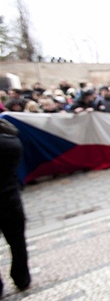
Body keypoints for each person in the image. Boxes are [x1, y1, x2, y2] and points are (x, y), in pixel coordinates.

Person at [0, 119, 31, 297]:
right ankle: (22, 278)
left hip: (8, 198)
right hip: (11, 200)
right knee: (18, 243)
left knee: (17, 242)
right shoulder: (11, 142)